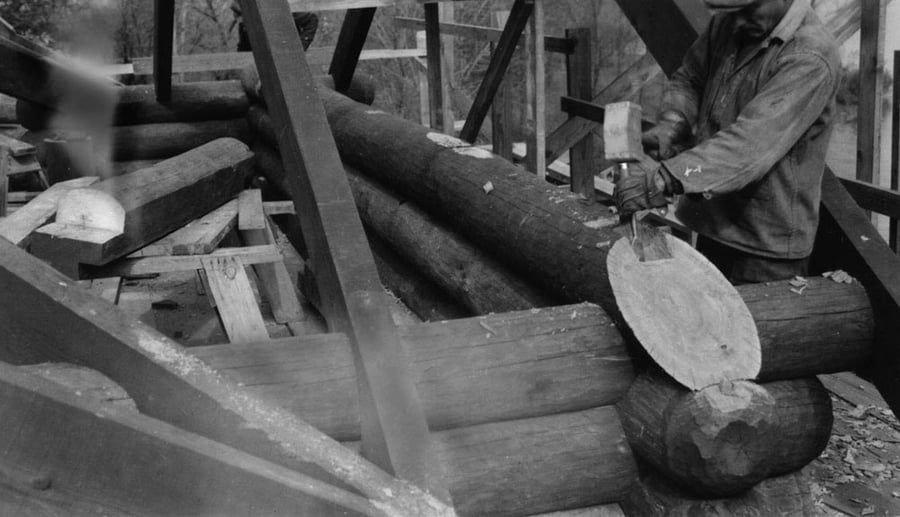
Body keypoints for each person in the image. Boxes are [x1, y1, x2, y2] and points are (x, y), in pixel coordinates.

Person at [613, 0, 840, 284]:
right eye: (730, 14)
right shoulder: (731, 21)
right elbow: (690, 78)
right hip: (716, 224)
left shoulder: (810, 55)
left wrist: (663, 180)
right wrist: (675, 121)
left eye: (747, 12)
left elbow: (748, 148)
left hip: (765, 249)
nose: (736, 23)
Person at [230, 1, 318, 51]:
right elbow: (244, 47)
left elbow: (312, 19)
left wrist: (300, 48)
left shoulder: (279, 11)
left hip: (287, 57)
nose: (241, 21)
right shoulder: (245, 24)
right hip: (266, 68)